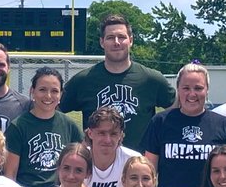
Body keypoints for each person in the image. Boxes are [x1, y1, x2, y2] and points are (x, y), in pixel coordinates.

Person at [61, 13, 174, 147]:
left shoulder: (151, 79)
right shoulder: (83, 80)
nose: (116, 42)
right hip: (97, 164)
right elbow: (52, 110)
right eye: (110, 37)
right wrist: (77, 145)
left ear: (130, 40)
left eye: (121, 37)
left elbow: (178, 109)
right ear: (102, 42)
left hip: (138, 164)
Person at [141, 63, 226, 187]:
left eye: (198, 88)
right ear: (178, 89)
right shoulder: (160, 122)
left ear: (207, 90)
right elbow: (149, 169)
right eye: (186, 88)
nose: (192, 94)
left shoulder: (224, 125)